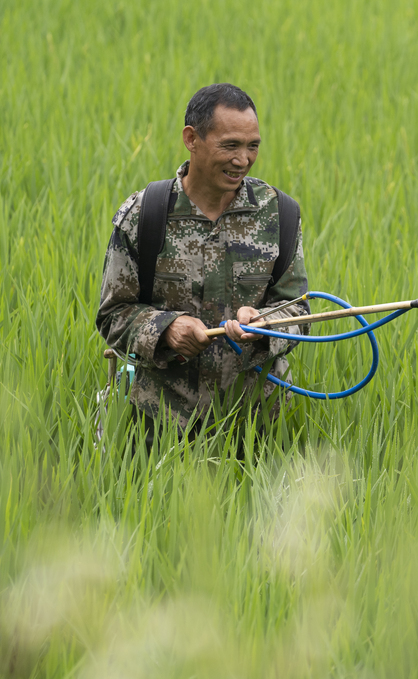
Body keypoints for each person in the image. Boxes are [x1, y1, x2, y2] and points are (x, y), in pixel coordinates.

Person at [96, 83, 310, 447]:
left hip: (254, 428)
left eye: (252, 146)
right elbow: (113, 315)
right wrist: (166, 329)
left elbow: (299, 312)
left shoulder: (279, 214)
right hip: (154, 427)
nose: (242, 159)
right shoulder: (145, 215)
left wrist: (265, 326)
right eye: (230, 145)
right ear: (191, 139)